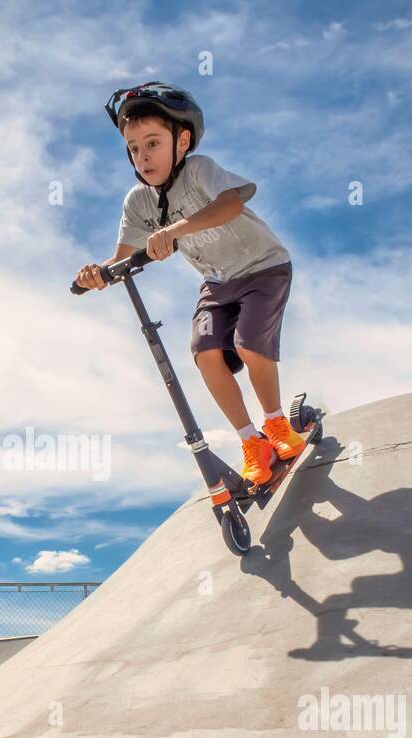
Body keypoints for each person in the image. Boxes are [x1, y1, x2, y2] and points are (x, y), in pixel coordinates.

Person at [73, 81, 304, 487]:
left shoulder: (200, 169)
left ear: (181, 141)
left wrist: (176, 229)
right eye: (133, 148)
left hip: (264, 268)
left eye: (153, 143)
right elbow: (121, 256)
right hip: (218, 282)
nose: (143, 156)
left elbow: (231, 204)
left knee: (248, 344)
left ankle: (276, 424)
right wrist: (96, 275)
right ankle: (253, 442)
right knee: (205, 353)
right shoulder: (138, 201)